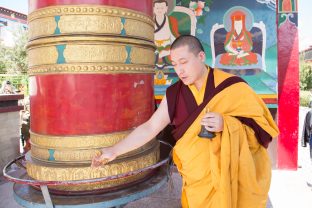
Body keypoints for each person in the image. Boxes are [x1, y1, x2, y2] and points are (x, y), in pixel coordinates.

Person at [92, 35, 279, 207]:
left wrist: (228, 124)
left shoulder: (233, 87)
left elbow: (263, 132)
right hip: (197, 182)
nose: (179, 70)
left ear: (201, 56)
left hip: (231, 179)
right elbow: (150, 127)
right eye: (174, 64)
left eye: (184, 62)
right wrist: (114, 150)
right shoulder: (175, 93)